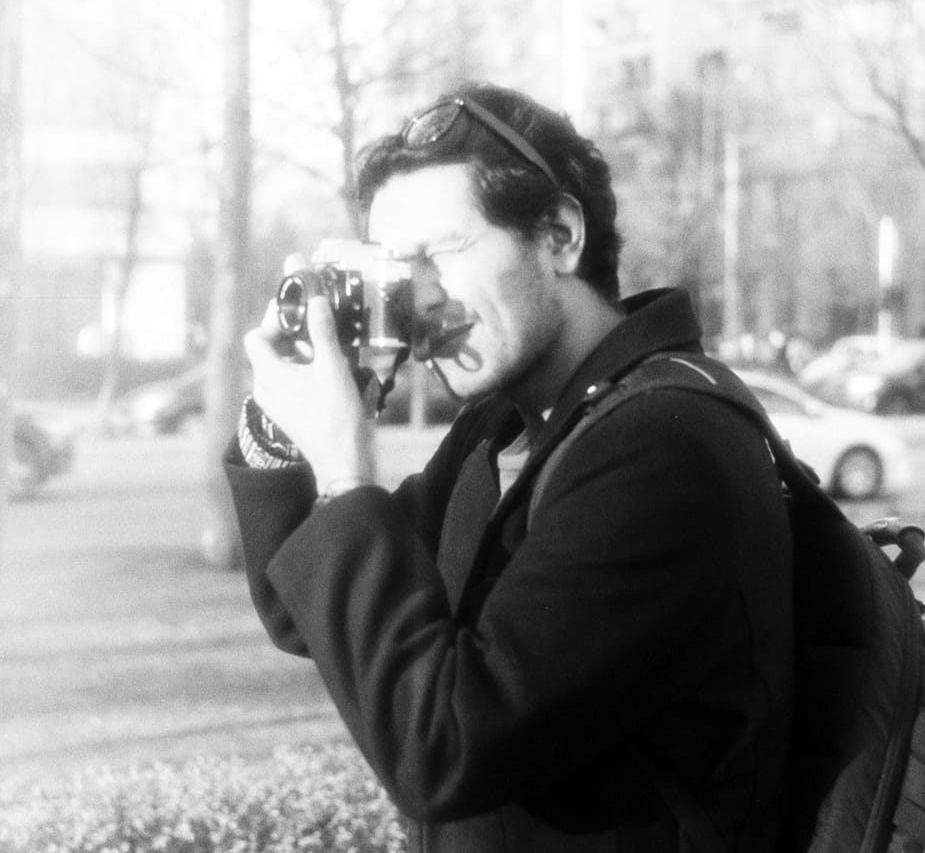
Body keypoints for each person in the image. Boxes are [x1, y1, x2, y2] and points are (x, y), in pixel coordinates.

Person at [224, 83, 794, 852]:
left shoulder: (664, 444)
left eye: (442, 252)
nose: (417, 295)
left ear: (559, 234)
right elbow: (313, 616)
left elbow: (445, 748)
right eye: (397, 265)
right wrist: (277, 426)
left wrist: (348, 473)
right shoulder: (503, 431)